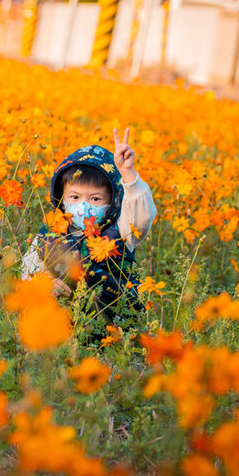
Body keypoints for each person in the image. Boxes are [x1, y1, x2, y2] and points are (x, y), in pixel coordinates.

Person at [20, 128, 157, 334]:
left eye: (95, 199)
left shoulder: (120, 229)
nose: (84, 207)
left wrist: (128, 174)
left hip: (114, 328)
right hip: (62, 326)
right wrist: (44, 283)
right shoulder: (49, 233)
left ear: (113, 201)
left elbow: (143, 217)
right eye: (74, 197)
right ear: (61, 199)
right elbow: (27, 270)